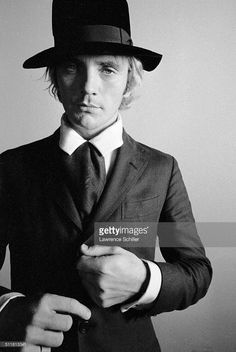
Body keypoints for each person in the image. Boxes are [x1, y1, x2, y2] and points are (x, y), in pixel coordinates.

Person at [0, 0, 212, 351]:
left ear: (130, 76)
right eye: (71, 67)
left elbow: (196, 271)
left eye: (108, 69)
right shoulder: (10, 169)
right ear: (54, 76)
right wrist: (7, 311)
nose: (88, 87)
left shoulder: (162, 169)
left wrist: (147, 280)